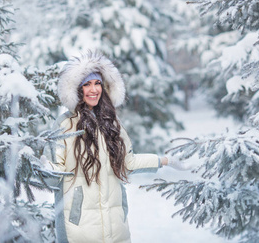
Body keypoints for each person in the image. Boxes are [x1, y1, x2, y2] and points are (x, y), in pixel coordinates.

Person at [43, 51, 187, 243]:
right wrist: (41, 165)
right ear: (76, 89)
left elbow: (127, 162)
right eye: (87, 84)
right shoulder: (65, 125)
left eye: (97, 83)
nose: (93, 89)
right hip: (79, 231)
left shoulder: (112, 123)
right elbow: (53, 175)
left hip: (116, 228)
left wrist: (164, 160)